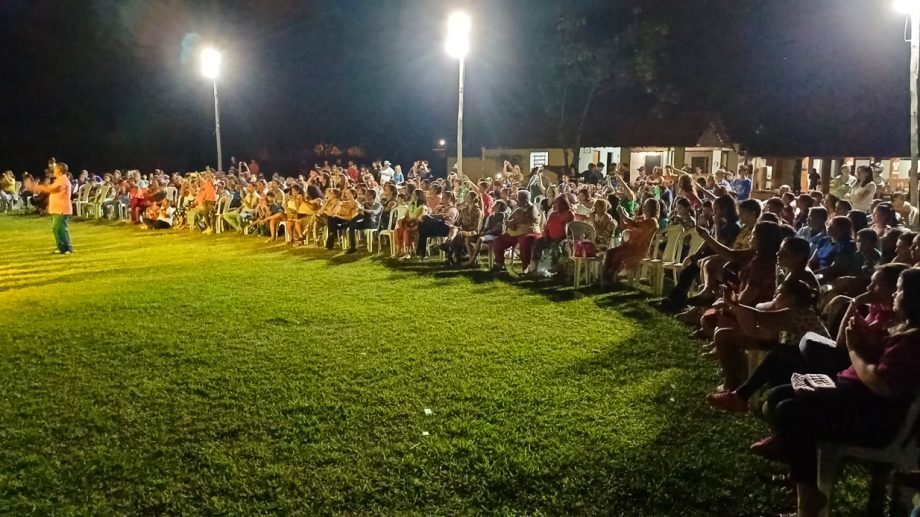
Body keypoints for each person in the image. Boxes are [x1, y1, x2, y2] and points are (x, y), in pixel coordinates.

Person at [761, 267, 920, 517]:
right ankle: (800, 472)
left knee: (788, 411)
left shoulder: (912, 341)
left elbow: (881, 383)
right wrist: (865, 340)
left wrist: (856, 349)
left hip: (874, 420)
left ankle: (808, 496)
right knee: (778, 396)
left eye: (899, 290)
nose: (895, 295)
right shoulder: (903, 331)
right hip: (857, 401)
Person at [603, 198, 660, 282]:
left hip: (639, 250)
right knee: (610, 252)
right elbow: (625, 226)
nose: (643, 207)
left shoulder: (652, 221)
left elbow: (634, 224)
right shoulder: (642, 218)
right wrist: (621, 215)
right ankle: (604, 276)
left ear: (651, 208)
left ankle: (611, 276)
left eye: (645, 206)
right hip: (629, 246)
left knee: (618, 255)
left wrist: (623, 215)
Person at [491, 191, 542, 273]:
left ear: (524, 199)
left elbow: (527, 219)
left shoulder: (533, 209)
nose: (516, 200)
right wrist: (511, 223)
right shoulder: (518, 210)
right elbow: (508, 221)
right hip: (514, 233)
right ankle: (499, 263)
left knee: (525, 242)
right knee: (499, 240)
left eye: (518, 198)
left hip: (529, 233)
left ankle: (526, 267)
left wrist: (514, 222)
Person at [27, 163, 73, 254]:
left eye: (55, 169)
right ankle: (61, 247)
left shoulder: (63, 180)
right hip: (58, 209)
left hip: (62, 209)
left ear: (60, 170)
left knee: (61, 228)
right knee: (56, 228)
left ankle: (67, 248)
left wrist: (35, 187)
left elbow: (52, 189)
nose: (54, 170)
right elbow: (51, 188)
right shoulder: (59, 179)